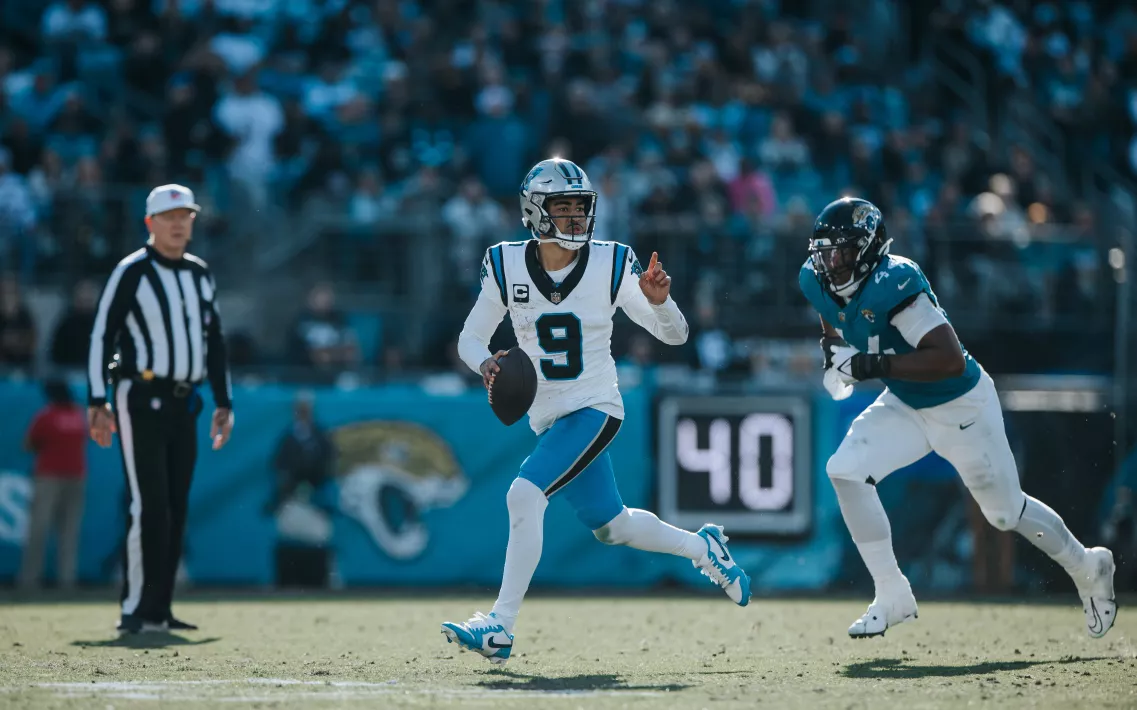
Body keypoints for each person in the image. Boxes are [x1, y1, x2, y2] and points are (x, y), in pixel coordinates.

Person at [441, 158, 751, 665]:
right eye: (562, 209)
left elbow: (676, 336)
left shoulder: (610, 263)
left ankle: (500, 625)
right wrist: (486, 365)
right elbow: (469, 338)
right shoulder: (506, 263)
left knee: (524, 494)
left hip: (594, 407)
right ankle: (704, 548)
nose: (576, 219)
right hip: (548, 416)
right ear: (534, 212)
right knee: (613, 526)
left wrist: (661, 303)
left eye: (581, 209)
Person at [799, 196, 1115, 639]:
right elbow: (830, 314)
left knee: (1004, 514)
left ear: (869, 248)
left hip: (960, 405)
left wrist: (870, 365)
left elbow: (946, 359)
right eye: (825, 252)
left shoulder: (895, 281)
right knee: (845, 471)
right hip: (907, 403)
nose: (830, 263)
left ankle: (1088, 566)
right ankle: (892, 593)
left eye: (841, 251)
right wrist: (832, 348)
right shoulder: (816, 279)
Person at [87, 184, 234, 634]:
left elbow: (214, 341)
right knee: (148, 503)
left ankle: (161, 607)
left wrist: (223, 400)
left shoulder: (199, 274)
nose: (178, 224)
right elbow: (101, 335)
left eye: (185, 216)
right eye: (169, 216)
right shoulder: (131, 271)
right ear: (150, 223)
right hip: (139, 396)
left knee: (175, 506)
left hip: (184, 401)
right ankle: (136, 607)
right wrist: (98, 399)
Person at [18, 378, 87, 590]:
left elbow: (28, 444)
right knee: (69, 531)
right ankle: (67, 579)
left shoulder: (46, 416)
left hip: (48, 476)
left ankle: (30, 579)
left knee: (39, 528)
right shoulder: (79, 416)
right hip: (76, 476)